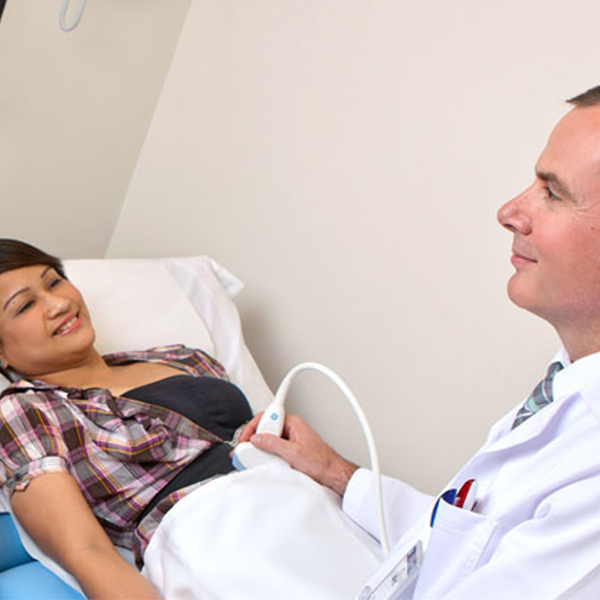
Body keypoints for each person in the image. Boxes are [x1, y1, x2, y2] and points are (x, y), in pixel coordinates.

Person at [240, 86, 600, 598]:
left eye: (553, 193)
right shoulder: (569, 381)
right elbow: (470, 542)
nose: (509, 211)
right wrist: (338, 474)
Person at [0, 239, 258, 599]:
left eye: (54, 282)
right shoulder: (26, 410)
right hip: (219, 546)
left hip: (294, 494)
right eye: (25, 305)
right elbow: (87, 552)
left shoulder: (181, 357)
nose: (59, 304)